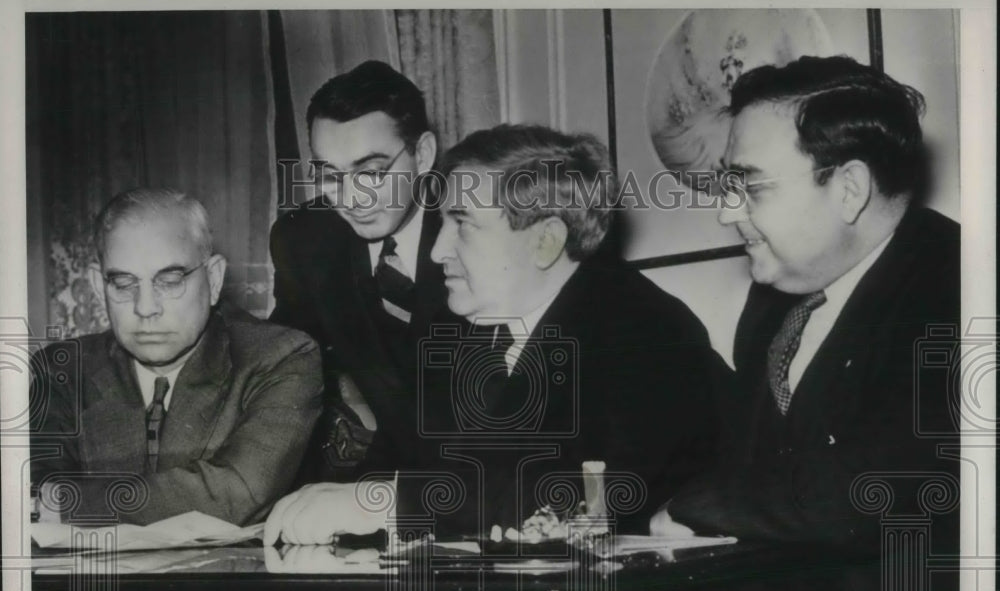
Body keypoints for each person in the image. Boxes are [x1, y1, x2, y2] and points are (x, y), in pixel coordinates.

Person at [649, 56, 959, 591]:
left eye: (751, 185)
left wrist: (695, 503)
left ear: (848, 188)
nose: (726, 213)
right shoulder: (772, 305)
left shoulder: (961, 286)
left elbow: (878, 488)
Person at [265, 124, 723, 544]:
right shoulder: (465, 335)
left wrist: (384, 505)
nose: (439, 249)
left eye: (462, 224)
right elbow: (401, 464)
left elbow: (580, 501)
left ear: (545, 241)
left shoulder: (648, 332)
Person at [31, 188, 323, 526]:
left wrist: (64, 504)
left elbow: (238, 492)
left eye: (169, 281)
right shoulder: (64, 371)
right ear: (99, 287)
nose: (146, 308)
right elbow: (27, 487)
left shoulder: (282, 357)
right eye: (123, 284)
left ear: (213, 279)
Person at [269, 60, 456, 478]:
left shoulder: (475, 226)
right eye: (329, 175)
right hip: (378, 479)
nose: (352, 199)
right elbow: (283, 356)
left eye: (371, 173)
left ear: (423, 154)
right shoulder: (306, 239)